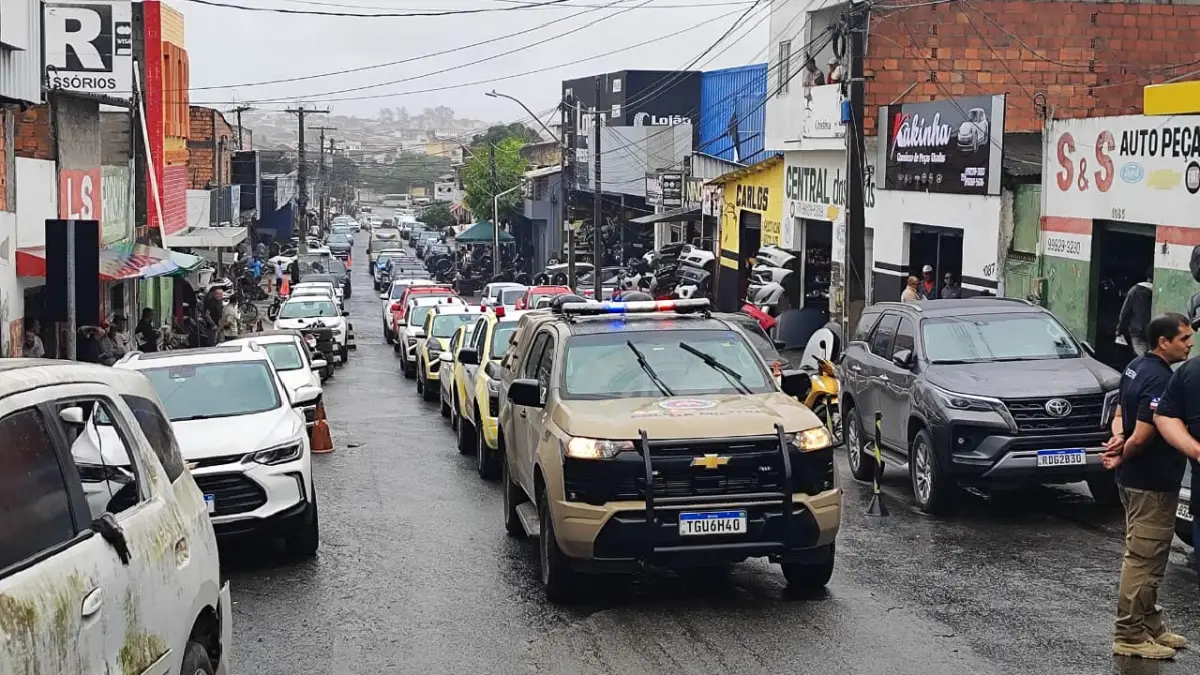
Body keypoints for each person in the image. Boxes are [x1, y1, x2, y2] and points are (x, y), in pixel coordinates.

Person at [1103, 313, 1193, 660]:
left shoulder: (1135, 366)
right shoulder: (1160, 379)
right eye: (1184, 339)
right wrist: (1122, 454)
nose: (1190, 344)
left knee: (1152, 557)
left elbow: (1118, 417)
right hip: (1150, 484)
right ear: (1163, 342)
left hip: (1137, 481)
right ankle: (1129, 635)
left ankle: (1150, 624)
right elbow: (1142, 437)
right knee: (1143, 559)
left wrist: (1117, 442)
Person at [1118, 269, 1154, 357]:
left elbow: (1125, 312)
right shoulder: (1156, 291)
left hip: (1138, 330)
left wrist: (1120, 330)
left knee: (1142, 356)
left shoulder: (1135, 290)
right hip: (1154, 330)